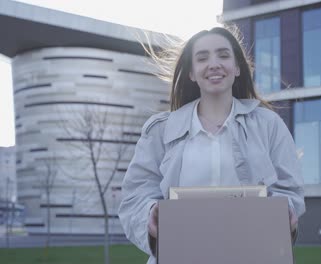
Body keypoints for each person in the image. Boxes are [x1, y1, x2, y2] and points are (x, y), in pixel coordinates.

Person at [118, 26, 305, 263]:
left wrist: (284, 210)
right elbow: (136, 195)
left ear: (237, 68)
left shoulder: (269, 124)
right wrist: (150, 213)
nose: (214, 64)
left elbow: (290, 190)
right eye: (202, 58)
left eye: (223, 55)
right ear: (192, 73)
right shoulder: (160, 130)